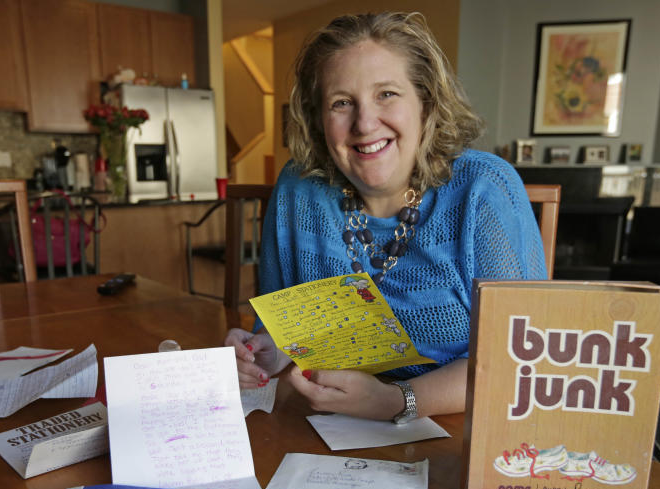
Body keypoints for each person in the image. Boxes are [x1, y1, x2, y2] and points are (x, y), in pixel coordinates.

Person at [224, 12, 545, 423]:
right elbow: (285, 328)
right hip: (326, 427)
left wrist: (394, 401)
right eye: (342, 103)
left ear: (426, 103)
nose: (365, 123)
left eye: (387, 94)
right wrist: (262, 354)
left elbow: (520, 361)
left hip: (464, 429)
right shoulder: (297, 189)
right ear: (318, 119)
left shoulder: (483, 190)